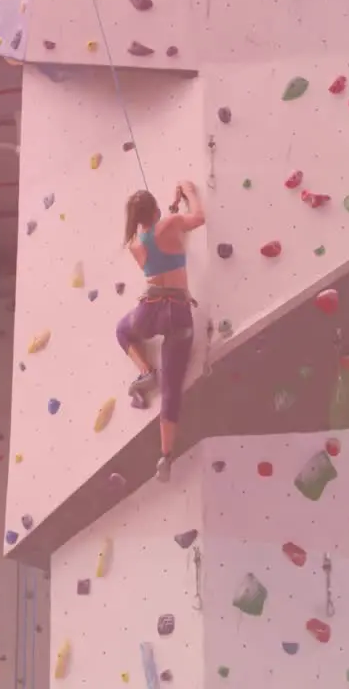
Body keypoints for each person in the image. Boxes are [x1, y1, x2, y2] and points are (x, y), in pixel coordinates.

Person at [116, 180, 206, 481]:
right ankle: (165, 455)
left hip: (150, 311)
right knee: (172, 388)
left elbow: (156, 242)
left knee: (122, 331)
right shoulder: (171, 224)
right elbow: (198, 218)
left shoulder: (134, 244)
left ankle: (145, 372)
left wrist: (168, 211)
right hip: (178, 313)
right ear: (155, 209)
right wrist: (189, 192)